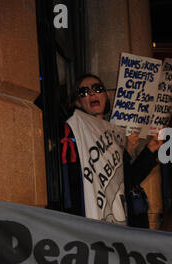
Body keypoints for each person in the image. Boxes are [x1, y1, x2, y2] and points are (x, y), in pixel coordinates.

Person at [61, 73, 161, 226]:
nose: (92, 93)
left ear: (106, 95)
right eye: (84, 92)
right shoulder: (74, 133)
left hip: (123, 219)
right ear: (78, 102)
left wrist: (150, 149)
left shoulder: (116, 134)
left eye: (97, 88)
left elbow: (126, 180)